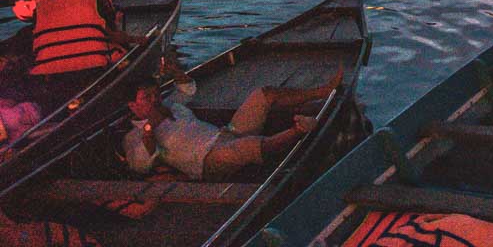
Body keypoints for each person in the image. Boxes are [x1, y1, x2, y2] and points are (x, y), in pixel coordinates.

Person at [123, 56, 340, 181]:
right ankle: (300, 130)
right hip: (207, 161)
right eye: (147, 98)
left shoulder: (170, 105)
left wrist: (175, 71)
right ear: (132, 105)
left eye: (156, 94)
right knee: (245, 147)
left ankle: (321, 91)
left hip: (227, 132)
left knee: (263, 94)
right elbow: (140, 166)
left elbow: (187, 88)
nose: (155, 100)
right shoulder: (134, 136)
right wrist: (151, 127)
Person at [25, 0, 143, 110]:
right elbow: (112, 36)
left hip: (54, 77)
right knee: (120, 52)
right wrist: (138, 39)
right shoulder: (93, 1)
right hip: (93, 70)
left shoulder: (39, 10)